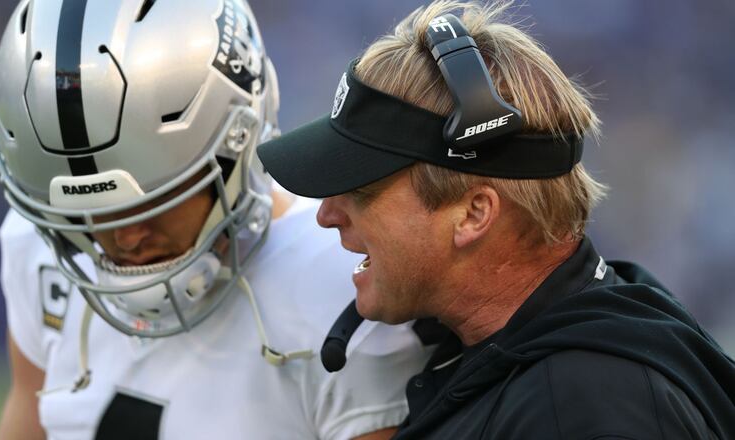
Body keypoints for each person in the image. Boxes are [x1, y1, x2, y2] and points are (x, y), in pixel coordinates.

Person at [257, 1, 735, 438]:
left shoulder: (585, 406)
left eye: (361, 189)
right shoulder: (538, 362)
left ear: (474, 214)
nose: (326, 215)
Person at [0, 1, 432, 439]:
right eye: (88, 214)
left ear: (237, 145)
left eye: (154, 200)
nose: (123, 237)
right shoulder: (35, 246)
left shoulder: (344, 285)